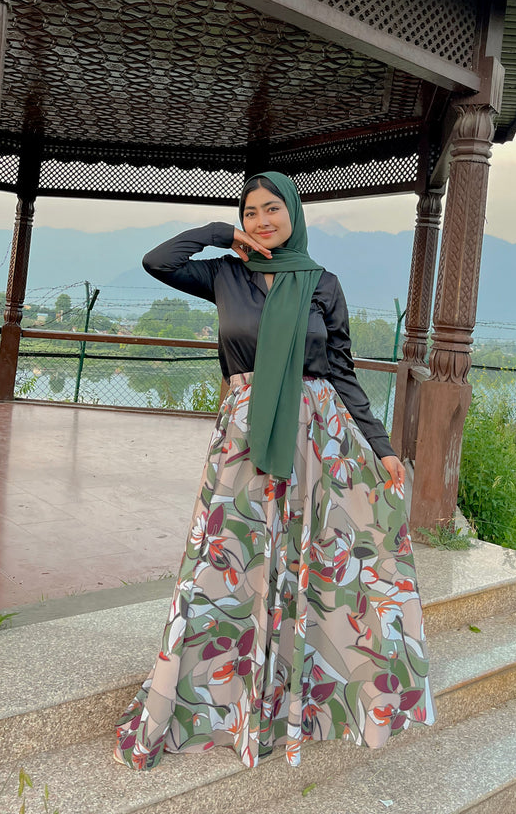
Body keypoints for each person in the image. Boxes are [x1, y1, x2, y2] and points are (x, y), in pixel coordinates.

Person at [114, 171, 434, 770]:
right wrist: (220, 233)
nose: (262, 221)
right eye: (250, 211)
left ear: (293, 213)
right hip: (245, 441)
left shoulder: (322, 283)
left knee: (315, 563)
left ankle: (307, 699)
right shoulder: (224, 273)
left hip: (318, 441)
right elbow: (158, 261)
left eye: (272, 209)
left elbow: (340, 370)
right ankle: (222, 701)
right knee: (228, 564)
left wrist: (381, 445)